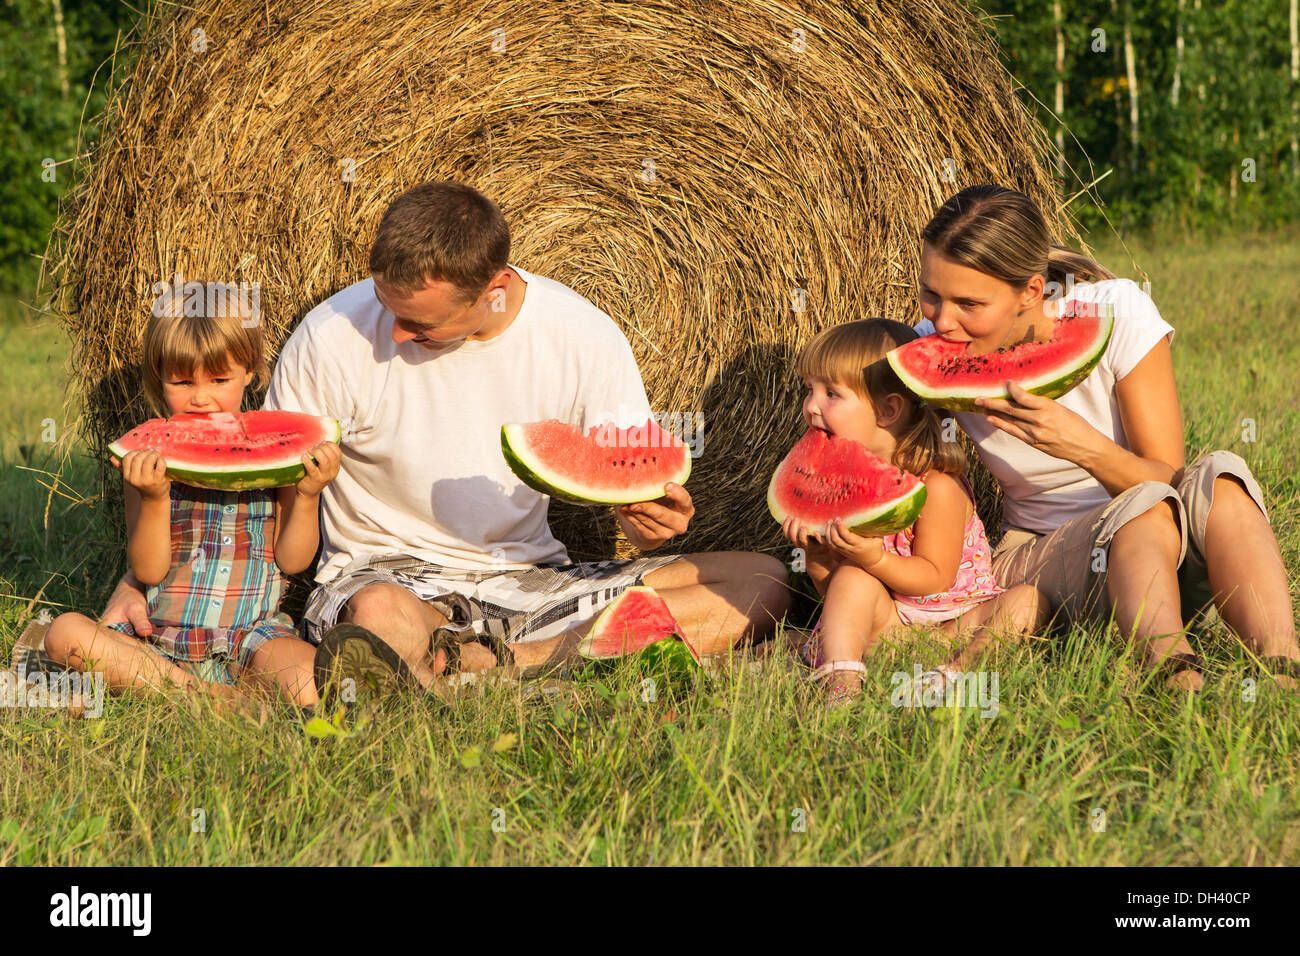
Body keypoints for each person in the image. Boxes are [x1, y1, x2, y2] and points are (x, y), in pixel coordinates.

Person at [101, 183, 790, 698]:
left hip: (530, 581)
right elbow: (245, 482)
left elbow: (633, 490)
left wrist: (649, 524)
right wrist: (137, 580)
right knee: (374, 614)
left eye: (421, 325)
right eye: (390, 309)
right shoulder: (332, 335)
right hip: (386, 580)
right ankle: (559, 667)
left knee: (760, 581)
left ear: (492, 290)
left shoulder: (583, 337)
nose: (396, 335)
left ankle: (496, 669)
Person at [914, 184, 1300, 692]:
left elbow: (1168, 475)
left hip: (1166, 537)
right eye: (931, 294)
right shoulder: (930, 352)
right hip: (1041, 556)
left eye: (968, 303)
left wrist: (1079, 445)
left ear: (1031, 291)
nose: (942, 320)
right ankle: (1172, 672)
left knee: (1220, 473)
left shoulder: (1118, 311)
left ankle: (1282, 664)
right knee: (1143, 510)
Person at [36, 285, 334, 707]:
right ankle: (196, 692)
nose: (200, 397)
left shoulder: (277, 457)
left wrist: (307, 496)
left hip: (250, 636)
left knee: (312, 678)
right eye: (181, 381)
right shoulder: (146, 459)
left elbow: (293, 559)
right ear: (159, 378)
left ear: (250, 371)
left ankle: (198, 689)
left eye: (219, 379)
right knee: (64, 633)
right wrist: (155, 498)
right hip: (158, 636)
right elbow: (149, 569)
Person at [781, 319, 1047, 705]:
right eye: (810, 390)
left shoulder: (938, 487)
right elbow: (838, 594)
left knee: (1028, 600)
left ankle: (958, 672)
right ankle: (840, 682)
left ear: (889, 410)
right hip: (890, 627)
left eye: (831, 394)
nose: (810, 407)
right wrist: (819, 559)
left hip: (959, 623)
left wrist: (873, 557)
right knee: (853, 579)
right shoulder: (839, 487)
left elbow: (935, 579)